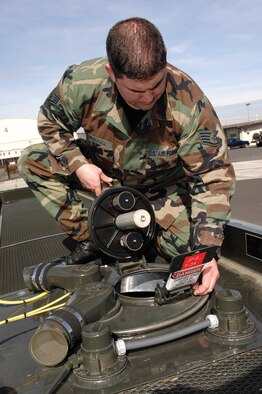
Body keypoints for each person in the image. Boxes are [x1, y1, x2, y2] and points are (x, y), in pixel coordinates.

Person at [18, 17, 235, 296]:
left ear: (165, 61)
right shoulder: (82, 83)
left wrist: (207, 250)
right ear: (112, 73)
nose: (147, 99)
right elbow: (50, 123)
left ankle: (148, 231)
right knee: (31, 160)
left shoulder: (189, 100)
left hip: (162, 193)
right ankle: (95, 237)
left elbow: (213, 175)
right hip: (105, 179)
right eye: (135, 90)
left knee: (187, 258)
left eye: (155, 86)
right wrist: (79, 164)